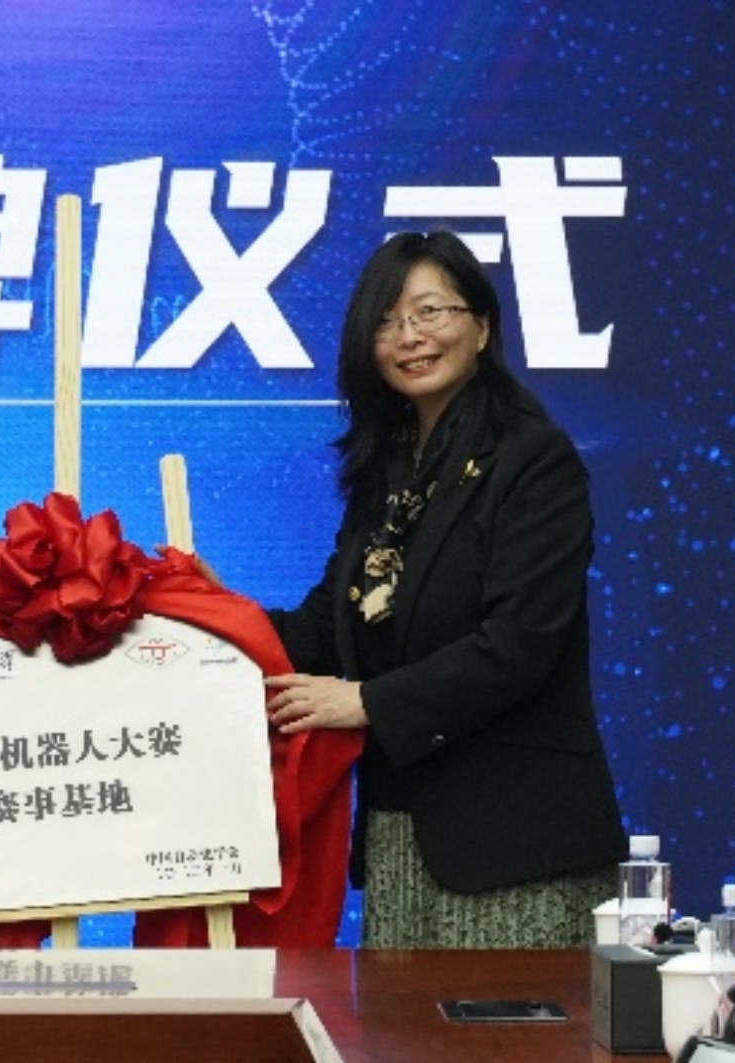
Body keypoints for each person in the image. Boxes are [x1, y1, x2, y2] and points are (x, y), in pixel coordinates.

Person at [210, 231, 626, 947]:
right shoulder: (390, 470)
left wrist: (366, 701)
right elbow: (326, 630)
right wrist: (213, 612)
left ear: (482, 325)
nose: (409, 336)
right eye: (386, 321)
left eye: (430, 311)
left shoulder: (533, 458)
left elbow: (518, 645)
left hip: (517, 846)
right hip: (401, 835)